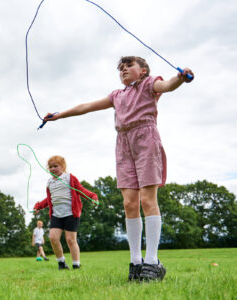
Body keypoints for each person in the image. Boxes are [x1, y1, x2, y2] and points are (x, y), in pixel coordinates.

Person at [42, 56, 194, 282]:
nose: (123, 70)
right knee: (129, 203)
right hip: (123, 145)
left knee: (147, 200)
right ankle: (135, 262)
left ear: (142, 71)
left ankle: (152, 262)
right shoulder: (117, 95)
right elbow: (87, 106)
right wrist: (60, 115)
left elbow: (168, 85)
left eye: (129, 66)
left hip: (146, 139)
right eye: (120, 68)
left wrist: (181, 78)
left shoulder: (150, 83)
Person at [34, 155, 98, 270]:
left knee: (70, 240)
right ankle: (61, 263)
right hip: (56, 215)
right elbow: (49, 199)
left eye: (55, 166)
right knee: (53, 238)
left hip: (70, 214)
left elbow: (81, 190)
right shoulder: (49, 183)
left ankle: (76, 264)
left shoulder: (69, 178)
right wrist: (39, 206)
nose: (52, 169)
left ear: (63, 167)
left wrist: (92, 196)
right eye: (50, 167)